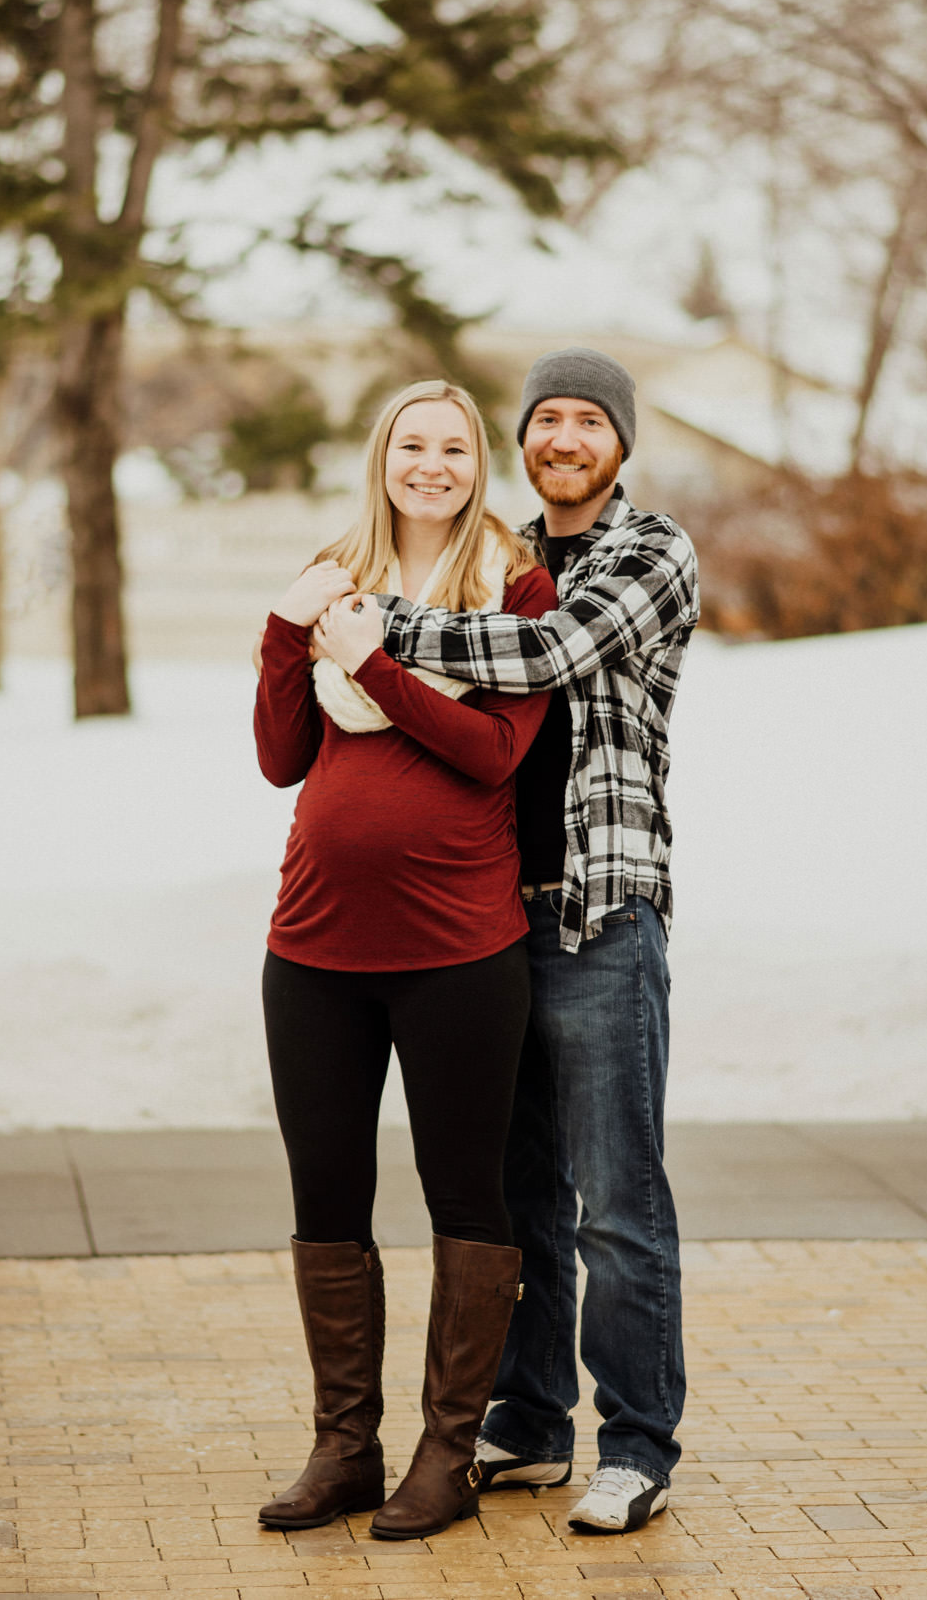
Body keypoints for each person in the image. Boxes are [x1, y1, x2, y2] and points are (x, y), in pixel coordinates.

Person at [313, 347, 698, 1536]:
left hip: (596, 913)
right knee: (517, 1194)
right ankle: (529, 1423)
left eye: (589, 421)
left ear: (619, 444)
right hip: (483, 920)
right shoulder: (505, 559)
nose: (564, 438)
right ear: (521, 440)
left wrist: (377, 628)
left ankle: (636, 1445)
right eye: (546, 419)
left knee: (614, 1203)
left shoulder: (650, 551)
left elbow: (549, 656)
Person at [252, 379, 556, 1542]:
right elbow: (281, 756)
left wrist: (375, 664)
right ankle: (344, 1448)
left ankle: (445, 1454)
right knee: (324, 1195)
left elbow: (490, 752)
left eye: (453, 448)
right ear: (381, 458)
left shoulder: (514, 587)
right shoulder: (332, 574)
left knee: (464, 1195)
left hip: (459, 949)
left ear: (479, 465)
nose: (430, 464)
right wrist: (285, 635)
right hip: (314, 943)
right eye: (409, 445)